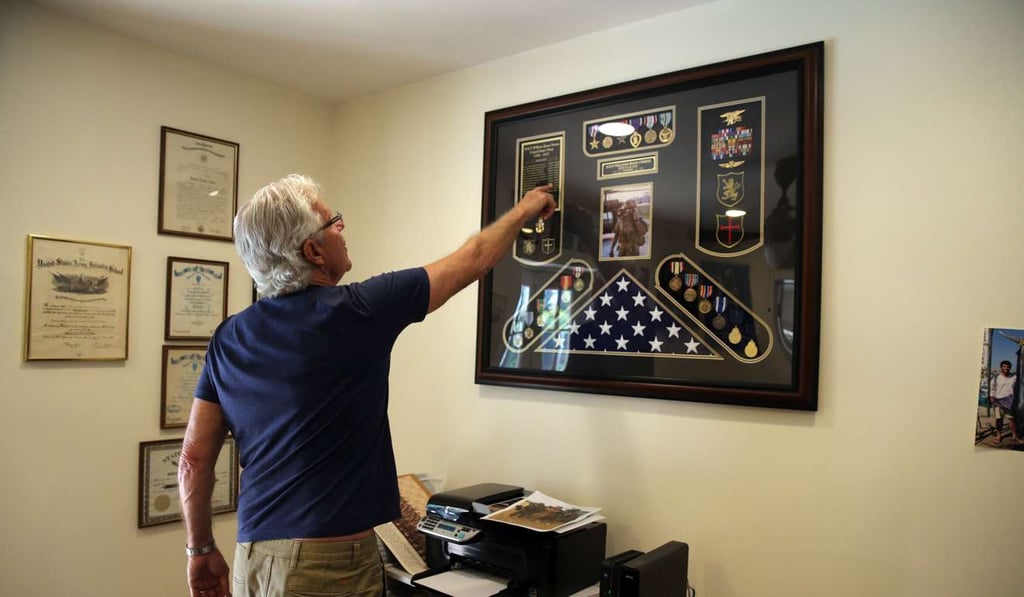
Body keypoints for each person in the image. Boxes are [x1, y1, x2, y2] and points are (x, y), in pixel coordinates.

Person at [178, 174, 555, 597]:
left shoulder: (228, 336)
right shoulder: (358, 310)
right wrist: (527, 208)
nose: (342, 226)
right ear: (313, 252)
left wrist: (200, 549)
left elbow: (193, 461)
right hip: (323, 566)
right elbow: (475, 258)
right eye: (332, 221)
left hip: (258, 556)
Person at [989, 359, 1020, 444]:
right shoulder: (996, 377)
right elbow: (992, 388)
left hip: (1009, 401)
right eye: (1004, 366)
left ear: (1010, 368)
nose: (1006, 368)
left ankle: (1014, 436)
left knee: (1012, 419)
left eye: (1007, 366)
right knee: (999, 420)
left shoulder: (1014, 377)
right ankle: (998, 436)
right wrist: (991, 397)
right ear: (1001, 367)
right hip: (998, 401)